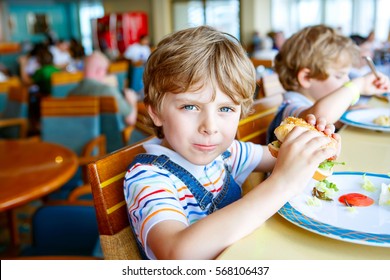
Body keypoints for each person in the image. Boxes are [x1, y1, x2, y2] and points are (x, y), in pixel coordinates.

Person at [123, 26, 340, 260]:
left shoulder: (227, 152)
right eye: (190, 107)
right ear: (156, 112)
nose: (210, 126)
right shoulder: (147, 177)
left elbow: (280, 156)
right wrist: (281, 184)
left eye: (225, 109)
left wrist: (314, 149)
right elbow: (176, 253)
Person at [267, 25, 389, 143]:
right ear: (306, 77)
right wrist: (357, 86)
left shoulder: (309, 103)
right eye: (339, 76)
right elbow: (319, 118)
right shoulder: (291, 106)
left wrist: (347, 113)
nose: (346, 81)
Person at [69, 51, 137, 125]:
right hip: (110, 135)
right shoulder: (108, 91)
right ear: (100, 70)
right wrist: (132, 100)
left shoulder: (71, 93)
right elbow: (130, 119)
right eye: (106, 71)